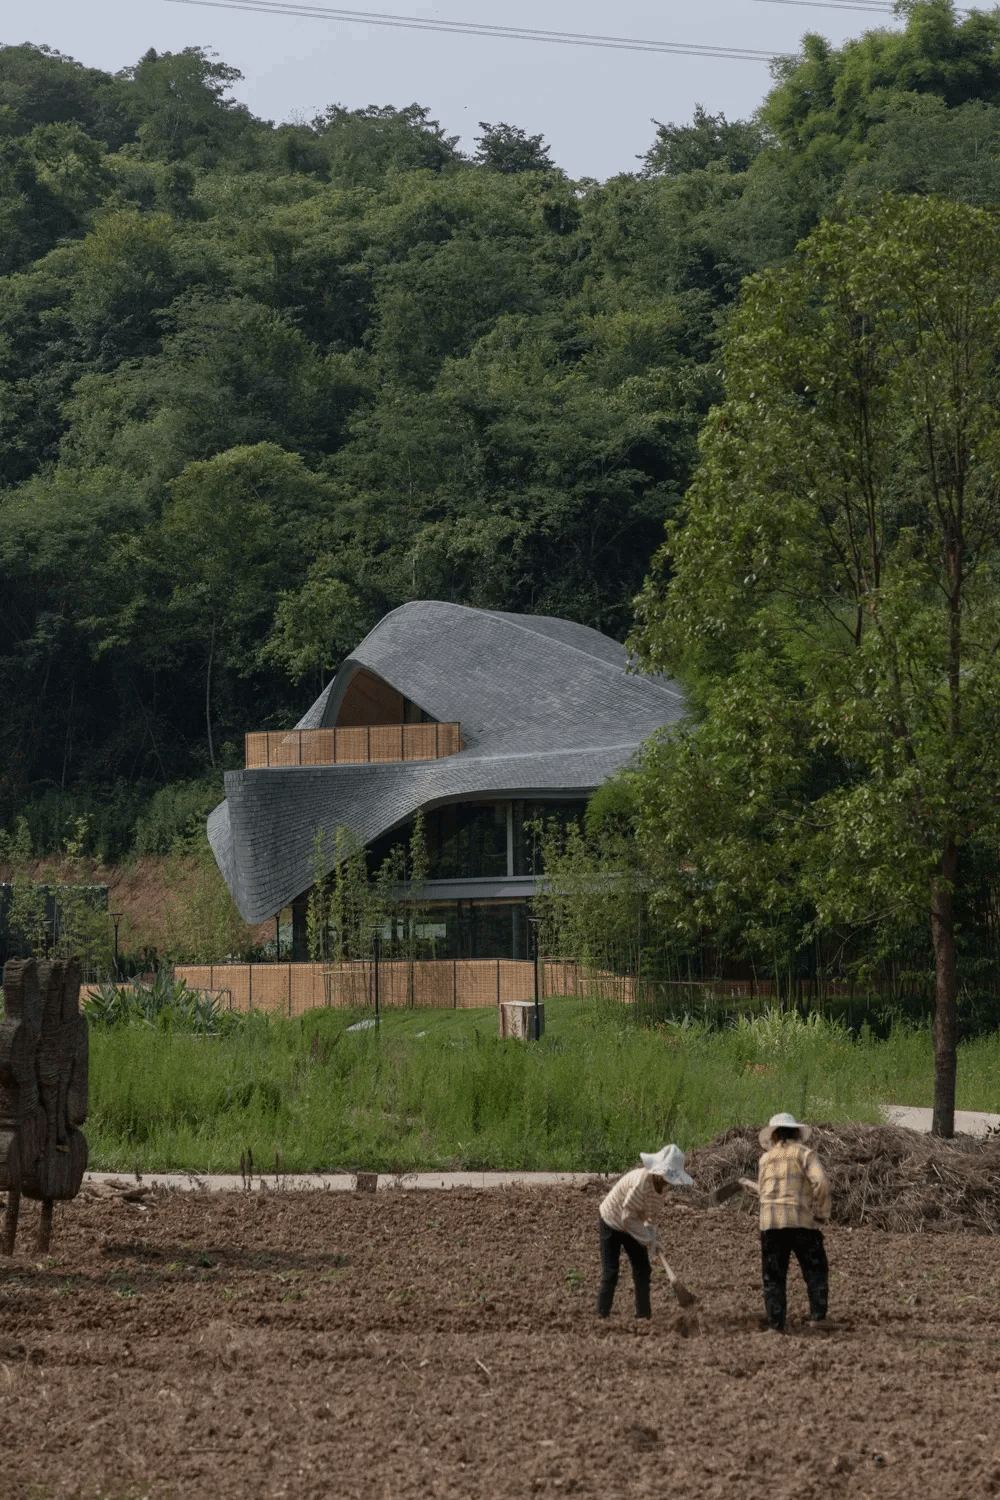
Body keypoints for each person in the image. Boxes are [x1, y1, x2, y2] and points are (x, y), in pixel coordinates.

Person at [596, 1143, 693, 1319]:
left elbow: (651, 1217)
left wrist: (652, 1238)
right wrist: (648, 1240)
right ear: (658, 1172)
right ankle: (602, 1315)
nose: (667, 1181)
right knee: (611, 1272)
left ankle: (643, 1315)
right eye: (666, 1176)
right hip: (612, 1220)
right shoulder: (640, 1184)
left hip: (633, 1222)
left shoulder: (662, 1188)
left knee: (643, 1269)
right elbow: (627, 1217)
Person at [756, 1112, 831, 1333]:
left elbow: (762, 1191)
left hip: (770, 1223)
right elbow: (821, 1182)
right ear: (796, 1133)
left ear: (773, 1135)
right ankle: (818, 1317)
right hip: (800, 1220)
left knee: (773, 1277)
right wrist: (821, 1213)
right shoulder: (804, 1154)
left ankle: (776, 1324)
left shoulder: (765, 1159)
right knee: (815, 1269)